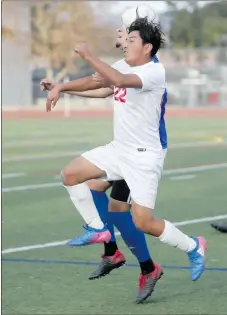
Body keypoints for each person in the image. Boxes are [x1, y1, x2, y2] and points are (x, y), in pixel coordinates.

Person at [45, 17, 207, 292]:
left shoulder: (153, 73)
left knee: (143, 222)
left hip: (144, 157)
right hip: (119, 148)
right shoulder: (126, 65)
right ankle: (100, 232)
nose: (124, 44)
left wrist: (88, 55)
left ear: (147, 47)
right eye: (125, 38)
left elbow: (116, 79)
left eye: (131, 40)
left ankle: (194, 246)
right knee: (71, 174)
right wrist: (62, 87)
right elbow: (101, 83)